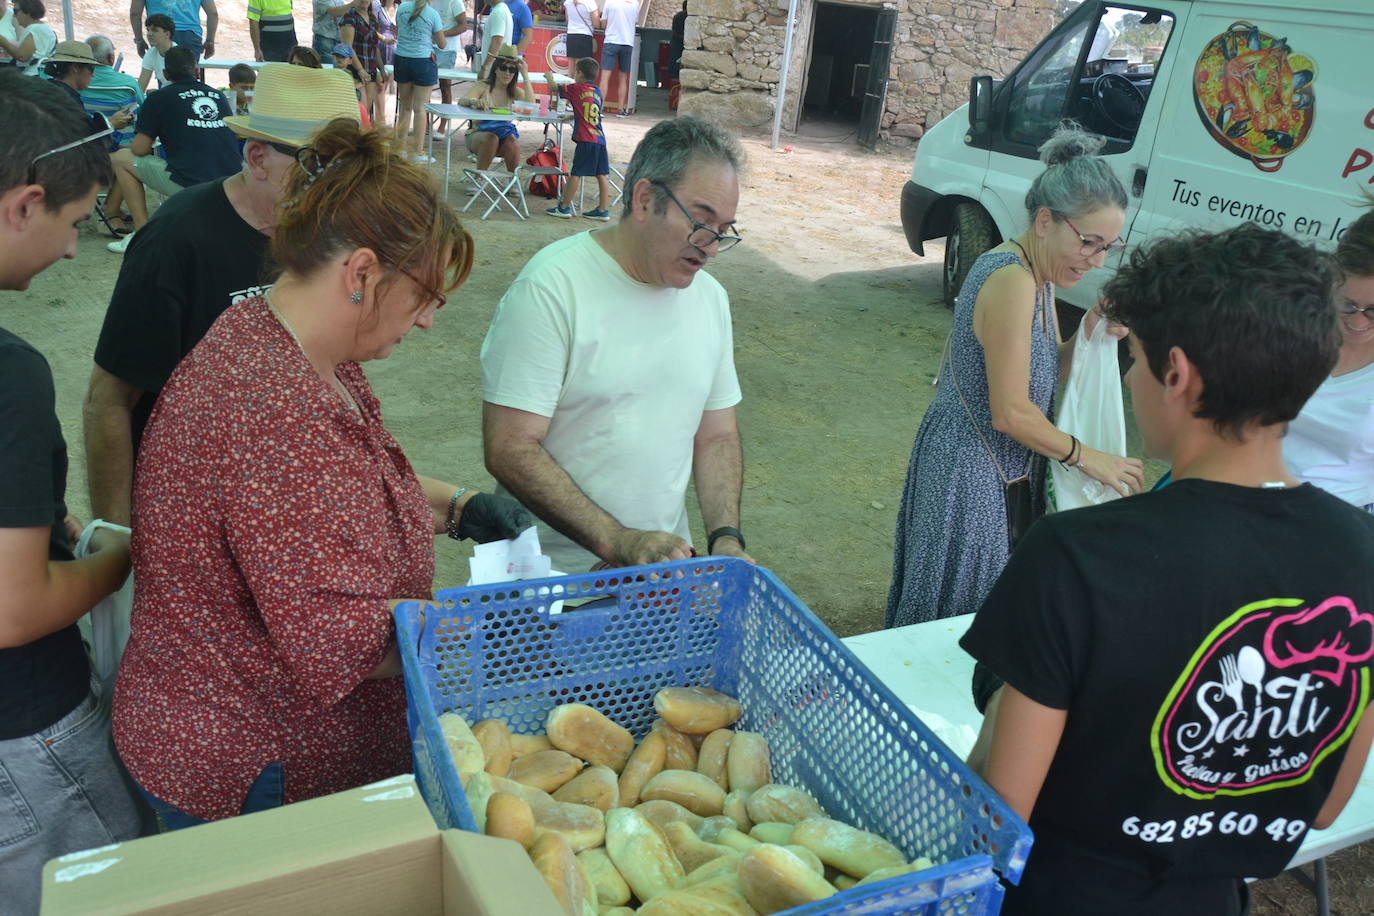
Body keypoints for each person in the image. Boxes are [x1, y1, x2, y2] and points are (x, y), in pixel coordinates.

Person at [112, 118, 531, 827]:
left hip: (234, 733)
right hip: (252, 760)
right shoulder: (273, 414)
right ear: (362, 273)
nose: (427, 321)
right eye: (424, 296)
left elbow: (347, 481)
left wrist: (459, 506)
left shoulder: (285, 338)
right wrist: (498, 628)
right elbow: (347, 643)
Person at [960, 222, 1374, 916]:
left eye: (1138, 359)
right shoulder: (1362, 554)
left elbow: (999, 812)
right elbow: (1328, 802)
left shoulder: (1075, 554)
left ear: (1176, 374)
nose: (1129, 377)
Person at [884, 124, 1143, 630]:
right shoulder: (1012, 280)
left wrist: (1086, 331)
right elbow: (1010, 412)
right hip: (971, 469)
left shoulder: (1038, 275)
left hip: (997, 468)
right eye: (1089, 242)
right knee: (957, 620)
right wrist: (1090, 458)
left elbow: (1039, 370)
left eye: (1109, 247)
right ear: (1046, 220)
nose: (1096, 260)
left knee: (976, 612)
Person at [84, 64, 364, 529]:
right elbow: (108, 400)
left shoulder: (329, 234)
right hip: (185, 498)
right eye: (316, 164)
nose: (336, 186)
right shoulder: (178, 238)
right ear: (257, 157)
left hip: (278, 493)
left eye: (349, 167)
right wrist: (117, 534)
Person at [481, 116, 752, 573]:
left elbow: (717, 434)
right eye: (701, 223)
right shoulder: (552, 286)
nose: (710, 247)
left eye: (724, 230)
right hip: (544, 583)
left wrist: (725, 537)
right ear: (645, 199)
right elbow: (510, 447)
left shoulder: (710, 300)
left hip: (659, 577)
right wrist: (616, 540)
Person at [0, 70, 143, 916]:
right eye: (75, 222)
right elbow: (14, 607)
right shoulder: (11, 376)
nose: (69, 250)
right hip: (25, 734)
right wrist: (117, 556)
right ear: (23, 203)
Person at [106, 46, 242, 253]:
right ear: (196, 71)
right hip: (231, 183)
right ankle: (113, 214)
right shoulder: (218, 96)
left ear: (165, 74)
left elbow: (141, 149)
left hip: (192, 184)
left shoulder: (158, 98)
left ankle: (143, 235)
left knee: (120, 158)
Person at [1282, 206, 1374, 512]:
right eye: (1348, 305)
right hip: (1247, 495)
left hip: (1336, 524)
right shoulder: (1293, 326)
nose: (1359, 323)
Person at [544, 56, 610, 220]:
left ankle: (564, 207)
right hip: (599, 138)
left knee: (576, 173)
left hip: (585, 138)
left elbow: (554, 88)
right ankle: (603, 209)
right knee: (601, 174)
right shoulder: (597, 91)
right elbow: (587, 112)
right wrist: (571, 117)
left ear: (580, 73)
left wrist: (549, 76)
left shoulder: (576, 88)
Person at [460, 44, 532, 172]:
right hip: (477, 133)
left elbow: (530, 106)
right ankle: (479, 179)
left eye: (512, 70)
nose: (507, 73)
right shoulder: (483, 86)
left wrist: (525, 75)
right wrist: (474, 101)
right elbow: (462, 101)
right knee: (491, 138)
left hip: (504, 136)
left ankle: (512, 182)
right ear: (495, 69)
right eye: (503, 68)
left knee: (512, 141)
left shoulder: (515, 92)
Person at [393, 0, 445, 160]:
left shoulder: (401, 8)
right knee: (420, 109)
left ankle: (399, 149)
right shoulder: (433, 14)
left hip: (402, 58)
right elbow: (442, 44)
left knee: (405, 108)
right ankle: (418, 152)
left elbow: (398, 31)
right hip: (422, 60)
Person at [341, 0, 394, 124]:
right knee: (357, 115)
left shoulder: (372, 18)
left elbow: (374, 48)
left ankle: (363, 141)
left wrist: (381, 70)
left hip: (370, 71)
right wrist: (360, 70)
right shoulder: (349, 18)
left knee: (365, 113)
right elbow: (347, 48)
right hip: (354, 71)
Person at [130, 0, 217, 60]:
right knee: (189, 78)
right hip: (191, 34)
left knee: (165, 78)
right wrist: (210, 41)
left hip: (160, 34)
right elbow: (213, 13)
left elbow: (135, 13)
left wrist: (139, 40)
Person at [431, 0, 466, 138]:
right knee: (425, 87)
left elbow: (463, 25)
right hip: (428, 46)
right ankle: (426, 124)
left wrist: (441, 34)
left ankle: (442, 127)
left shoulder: (455, 1)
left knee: (445, 87)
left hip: (448, 49)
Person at [598, 0, 638, 116]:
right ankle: (621, 110)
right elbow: (635, 21)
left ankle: (600, 108)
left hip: (611, 41)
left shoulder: (610, 2)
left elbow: (603, 24)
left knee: (605, 76)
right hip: (627, 42)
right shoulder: (635, 3)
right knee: (623, 77)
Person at [0, 0, 56, 75]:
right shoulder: (39, 28)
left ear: (27, 11)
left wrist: (4, 43)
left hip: (32, 76)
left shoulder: (36, 29)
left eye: (15, 11)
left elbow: (22, 56)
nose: (14, 15)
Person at [330, 42, 374, 126]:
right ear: (333, 57)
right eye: (337, 56)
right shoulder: (329, 73)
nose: (339, 59)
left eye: (343, 57)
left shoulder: (348, 74)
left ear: (350, 61)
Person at [136, 12, 175, 92]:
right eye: (148, 30)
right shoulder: (151, 53)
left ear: (167, 34)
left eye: (154, 30)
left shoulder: (180, 55)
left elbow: (182, 87)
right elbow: (141, 86)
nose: (149, 34)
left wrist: (158, 94)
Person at [474, 0, 511, 79]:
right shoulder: (501, 10)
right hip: (496, 67)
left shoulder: (498, 12)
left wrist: (484, 68)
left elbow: (497, 42)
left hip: (494, 69)